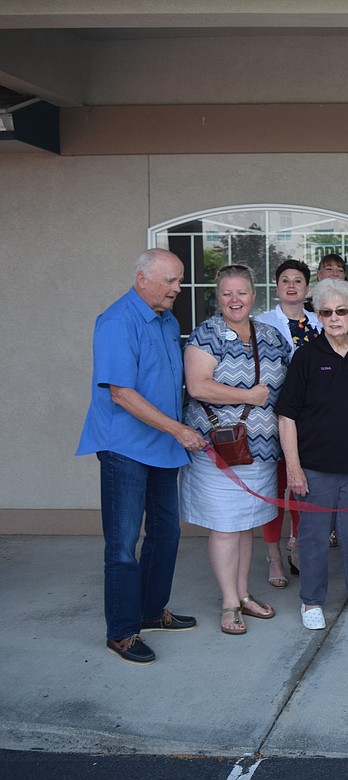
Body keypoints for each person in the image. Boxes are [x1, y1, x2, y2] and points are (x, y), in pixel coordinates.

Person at [77, 248, 203, 665]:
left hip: (163, 447)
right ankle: (122, 632)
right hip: (125, 449)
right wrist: (180, 430)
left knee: (167, 536)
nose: (177, 289)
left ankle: (152, 612)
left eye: (179, 280)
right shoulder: (117, 320)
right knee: (123, 544)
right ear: (142, 279)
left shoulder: (168, 321)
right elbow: (121, 393)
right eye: (170, 281)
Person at [275, 278, 348, 629]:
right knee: (312, 538)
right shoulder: (306, 356)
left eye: (341, 311)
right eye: (326, 312)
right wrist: (294, 468)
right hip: (315, 467)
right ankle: (311, 602)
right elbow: (287, 416)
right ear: (318, 315)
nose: (334, 317)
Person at [180, 265, 287, 635]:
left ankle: (242, 595)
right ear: (217, 296)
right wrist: (249, 397)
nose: (235, 300)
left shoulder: (271, 336)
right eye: (227, 293)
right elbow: (197, 386)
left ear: (254, 295)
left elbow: (290, 386)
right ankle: (228, 603)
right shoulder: (206, 334)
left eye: (241, 292)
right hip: (219, 448)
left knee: (245, 526)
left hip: (261, 450)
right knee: (226, 527)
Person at [255, 258, 319, 588]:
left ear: (307, 288)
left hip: (310, 420)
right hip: (270, 417)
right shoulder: (262, 323)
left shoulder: (321, 322)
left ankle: (297, 545)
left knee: (302, 487)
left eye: (298, 280)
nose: (291, 285)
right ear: (277, 287)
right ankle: (274, 558)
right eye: (284, 280)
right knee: (275, 489)